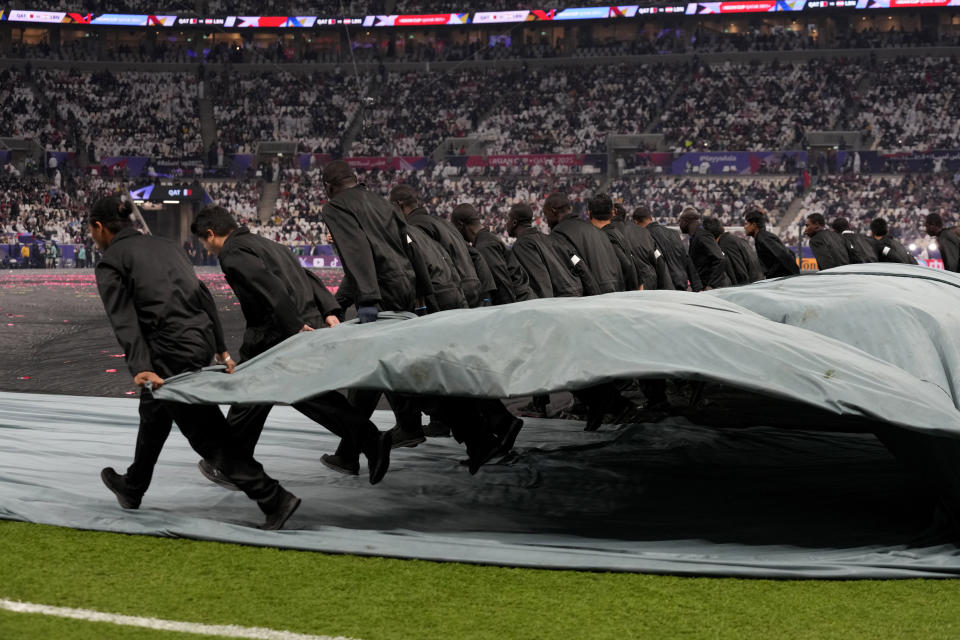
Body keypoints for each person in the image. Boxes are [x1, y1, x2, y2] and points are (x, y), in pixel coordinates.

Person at [88, 196, 300, 530]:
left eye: (92, 232)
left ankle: (273, 497)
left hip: (167, 351)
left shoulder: (112, 261)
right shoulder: (168, 246)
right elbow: (203, 295)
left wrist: (141, 366)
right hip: (196, 340)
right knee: (154, 412)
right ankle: (133, 486)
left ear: (99, 228)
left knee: (207, 435)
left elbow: (124, 319)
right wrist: (219, 347)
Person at [190, 206, 391, 486]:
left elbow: (267, 285)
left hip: (275, 332)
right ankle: (231, 462)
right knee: (272, 397)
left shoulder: (233, 252)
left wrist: (292, 325)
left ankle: (231, 464)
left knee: (270, 395)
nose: (207, 249)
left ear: (210, 234)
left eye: (203, 242)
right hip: (297, 324)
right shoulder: (271, 245)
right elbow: (308, 277)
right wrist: (328, 310)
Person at [390, 184, 484, 308]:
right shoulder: (443, 223)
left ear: (398, 205)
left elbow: (428, 260)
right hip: (472, 285)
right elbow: (476, 255)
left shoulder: (415, 226)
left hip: (452, 288)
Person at [451, 203, 535, 305]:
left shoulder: (484, 246)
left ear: (460, 225)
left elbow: (502, 285)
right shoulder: (486, 240)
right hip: (524, 301)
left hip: (520, 305)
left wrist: (508, 314)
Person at [542, 192, 622, 294]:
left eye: (546, 215)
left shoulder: (557, 237)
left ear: (553, 211)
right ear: (570, 209)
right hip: (616, 295)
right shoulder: (598, 231)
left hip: (591, 302)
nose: (547, 222)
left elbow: (572, 276)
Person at [506, 203, 584, 299]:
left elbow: (541, 282)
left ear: (514, 222)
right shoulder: (549, 238)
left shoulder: (522, 245)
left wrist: (545, 309)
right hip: (577, 295)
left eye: (507, 219)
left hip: (560, 303)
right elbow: (578, 263)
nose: (506, 223)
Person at [635, 206, 701, 291]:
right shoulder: (673, 233)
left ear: (635, 222)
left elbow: (656, 264)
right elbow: (686, 259)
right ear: (651, 218)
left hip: (663, 291)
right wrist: (697, 286)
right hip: (681, 286)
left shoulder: (644, 236)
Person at [587, 193, 638, 291]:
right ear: (612, 213)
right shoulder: (618, 234)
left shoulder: (602, 237)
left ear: (589, 214)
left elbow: (626, 265)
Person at [622, 205, 673, 291]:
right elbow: (659, 259)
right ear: (651, 218)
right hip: (659, 281)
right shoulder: (671, 233)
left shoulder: (642, 235)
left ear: (635, 222)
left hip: (642, 282)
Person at [702, 217, 763, 285]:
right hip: (756, 285)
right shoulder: (736, 240)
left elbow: (739, 275)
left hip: (749, 289)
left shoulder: (725, 246)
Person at [679, 208, 730, 290]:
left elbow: (720, 258)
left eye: (680, 221)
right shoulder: (695, 237)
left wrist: (711, 285)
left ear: (687, 221)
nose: (679, 224)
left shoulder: (702, 236)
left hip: (714, 289)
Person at [743, 209, 799, 278]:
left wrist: (771, 275)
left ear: (754, 225)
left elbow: (785, 255)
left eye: (746, 224)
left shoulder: (763, 238)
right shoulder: (762, 237)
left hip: (783, 281)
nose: (744, 227)